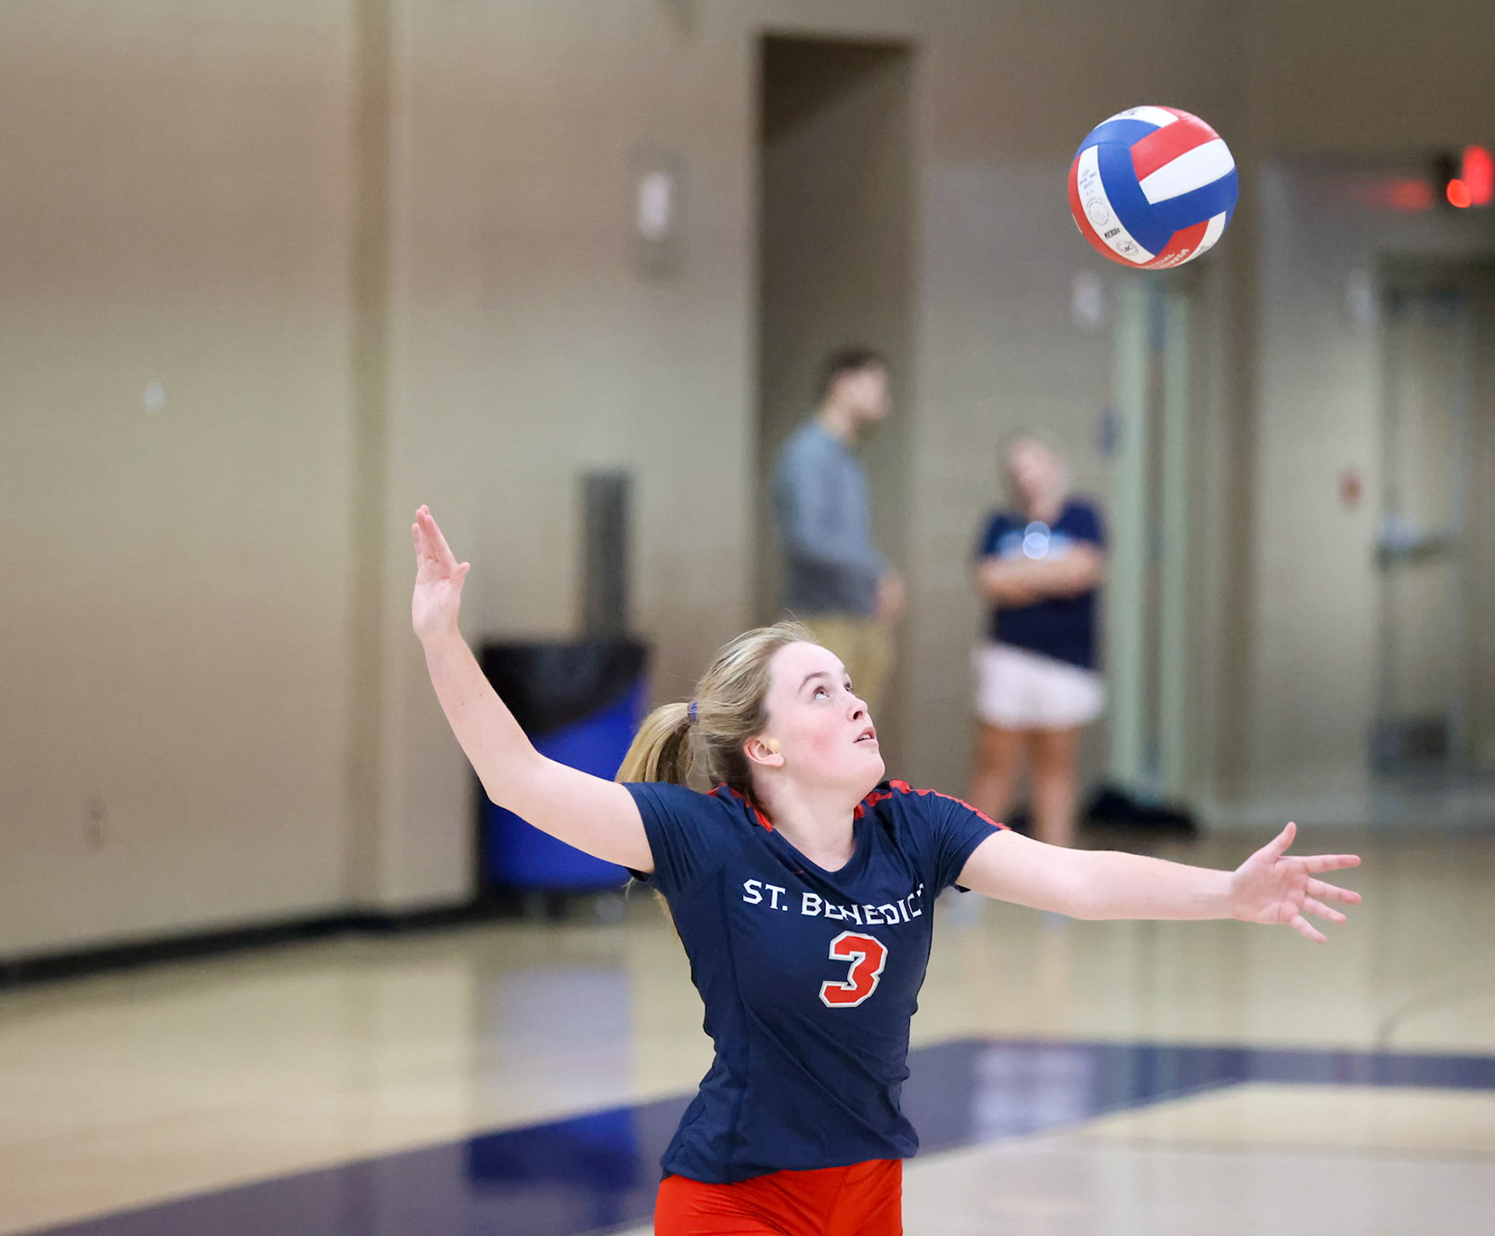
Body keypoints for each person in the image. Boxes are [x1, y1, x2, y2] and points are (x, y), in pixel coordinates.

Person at [410, 504, 1361, 1236]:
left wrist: (1227, 893)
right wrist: (440, 638)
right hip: (735, 1195)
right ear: (766, 748)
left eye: (852, 684)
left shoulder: (915, 828)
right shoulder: (706, 837)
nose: (857, 703)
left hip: (868, 1193)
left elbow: (1074, 879)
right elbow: (518, 779)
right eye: (821, 692)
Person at [968, 432, 1106, 849]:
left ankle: (1056, 869)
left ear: (1055, 464)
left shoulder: (1082, 515)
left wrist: (1019, 575)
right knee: (995, 766)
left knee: (1055, 770)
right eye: (1017, 468)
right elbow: (989, 579)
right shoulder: (1000, 523)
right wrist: (1053, 575)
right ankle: (970, 869)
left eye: (1034, 463)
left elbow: (1083, 571)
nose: (1027, 475)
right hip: (1007, 657)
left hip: (1067, 662)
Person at [769, 347, 905, 713]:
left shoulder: (845, 455)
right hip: (825, 621)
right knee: (824, 729)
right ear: (842, 384)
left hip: (857, 615)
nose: (883, 399)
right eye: (876, 386)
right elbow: (807, 537)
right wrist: (878, 572)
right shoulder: (808, 453)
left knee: (854, 731)